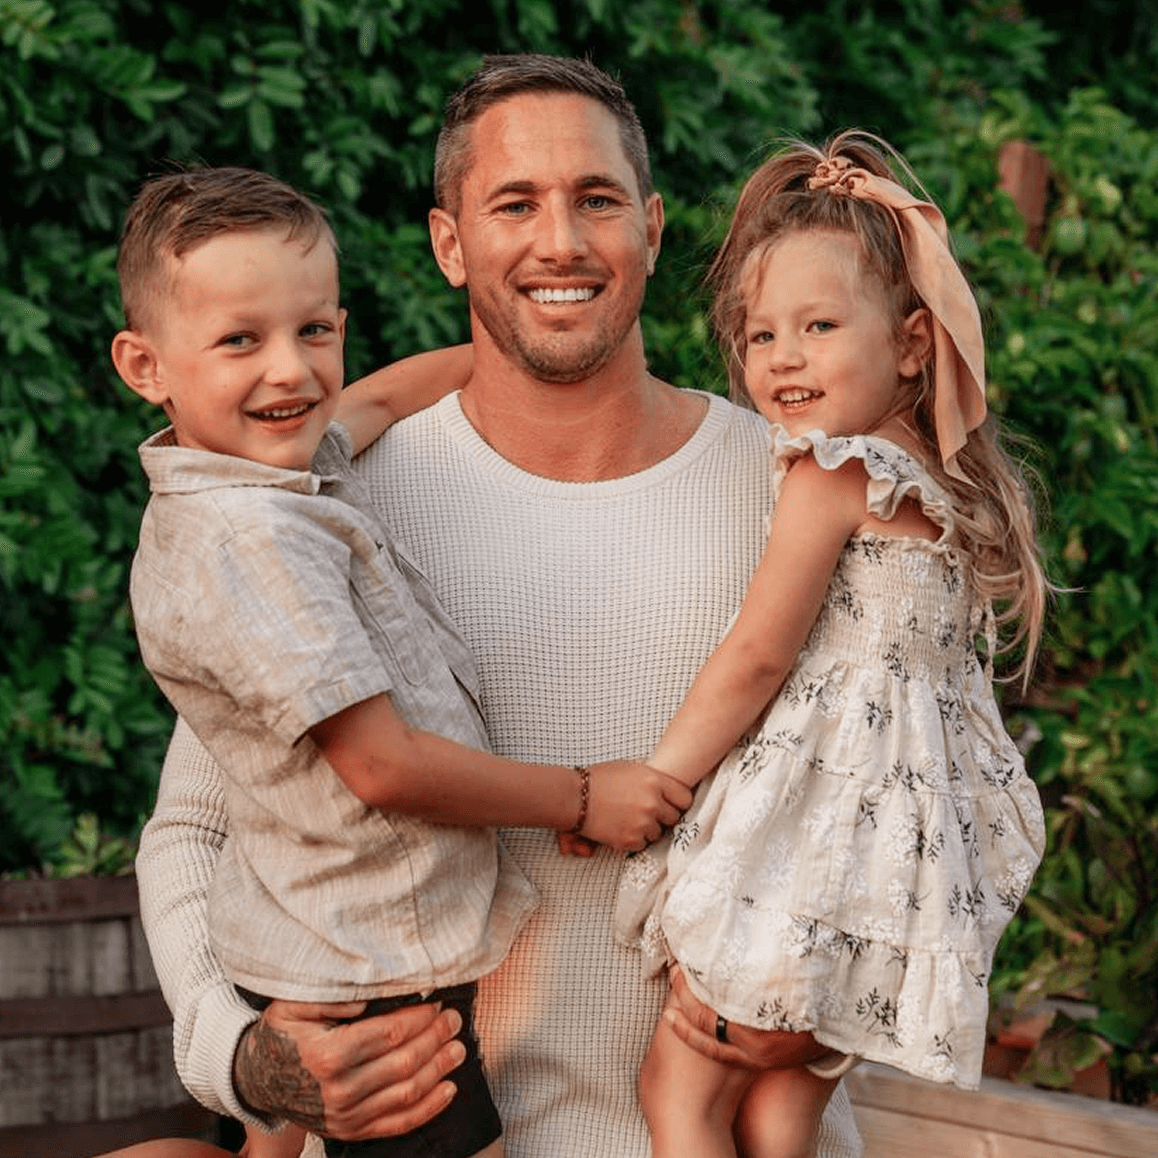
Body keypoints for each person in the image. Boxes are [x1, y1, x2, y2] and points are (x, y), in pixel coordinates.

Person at [134, 56, 867, 1157]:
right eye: (514, 204)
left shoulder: (798, 491)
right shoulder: (331, 508)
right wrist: (239, 1054)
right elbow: (196, 823)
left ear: (654, 229)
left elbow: (911, 787)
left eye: (599, 200)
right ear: (449, 243)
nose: (561, 242)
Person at [112, 164, 687, 1158]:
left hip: (314, 944)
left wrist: (510, 348)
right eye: (241, 340)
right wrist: (585, 799)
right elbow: (380, 766)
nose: (290, 371)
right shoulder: (255, 542)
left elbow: (372, 401)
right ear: (144, 364)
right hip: (375, 978)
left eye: (315, 331)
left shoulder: (268, 472)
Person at [611, 131, 1049, 1158]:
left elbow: (760, 655)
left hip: (804, 861)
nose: (784, 358)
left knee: (679, 1095)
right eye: (763, 335)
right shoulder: (944, 487)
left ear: (907, 343)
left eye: (818, 325)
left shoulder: (836, 470)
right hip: (883, 887)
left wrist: (659, 784)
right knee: (779, 1121)